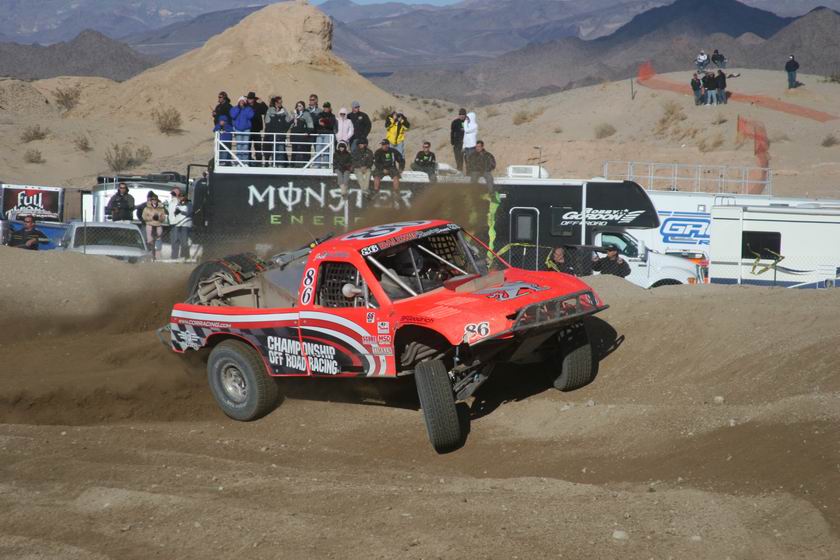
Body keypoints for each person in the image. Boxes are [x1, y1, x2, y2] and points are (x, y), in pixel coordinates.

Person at [373, 139, 405, 203]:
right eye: (382, 145)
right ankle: (376, 192)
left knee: (396, 177)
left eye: (384, 145)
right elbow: (376, 162)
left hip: (391, 167)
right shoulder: (378, 152)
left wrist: (401, 168)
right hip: (381, 168)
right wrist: (382, 169)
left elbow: (401, 159)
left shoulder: (393, 151)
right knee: (376, 177)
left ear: (388, 145)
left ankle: (396, 193)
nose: (383, 146)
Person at [265, 96, 291, 167]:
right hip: (272, 135)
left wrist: (284, 130)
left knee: (281, 150)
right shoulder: (270, 110)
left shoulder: (284, 110)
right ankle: (275, 164)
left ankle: (280, 164)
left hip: (281, 135)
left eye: (281, 102)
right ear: (275, 103)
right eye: (279, 102)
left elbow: (288, 121)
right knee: (274, 150)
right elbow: (267, 122)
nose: (280, 103)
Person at [229, 96, 254, 163]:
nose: (241, 102)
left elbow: (250, 116)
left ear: (245, 102)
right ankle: (239, 162)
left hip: (246, 129)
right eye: (240, 101)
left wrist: (244, 108)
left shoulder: (248, 109)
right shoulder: (235, 108)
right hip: (238, 129)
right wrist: (239, 109)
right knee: (239, 146)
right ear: (238, 101)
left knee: (245, 146)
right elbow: (233, 116)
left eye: (243, 101)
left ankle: (245, 162)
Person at [289, 100, 314, 167]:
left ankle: (304, 165)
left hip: (302, 136)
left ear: (303, 107)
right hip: (294, 135)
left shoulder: (306, 114)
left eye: (300, 106)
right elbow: (288, 124)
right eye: (297, 106)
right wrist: (293, 118)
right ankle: (292, 164)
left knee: (303, 150)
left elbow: (310, 125)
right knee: (294, 150)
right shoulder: (294, 114)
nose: (298, 107)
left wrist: (308, 132)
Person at [169, 191, 192, 260]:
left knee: (184, 242)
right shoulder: (178, 204)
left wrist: (181, 212)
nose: (181, 198)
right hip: (177, 224)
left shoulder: (189, 204)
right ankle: (174, 257)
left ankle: (185, 256)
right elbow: (174, 213)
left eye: (182, 196)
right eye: (180, 196)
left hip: (185, 225)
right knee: (175, 240)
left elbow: (189, 213)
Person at [142, 193, 166, 259]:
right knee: (149, 240)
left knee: (158, 240)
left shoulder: (161, 208)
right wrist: (151, 218)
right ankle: (149, 255)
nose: (154, 201)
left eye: (155, 200)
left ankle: (157, 256)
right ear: (151, 200)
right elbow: (144, 217)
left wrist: (159, 218)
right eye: (152, 200)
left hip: (158, 225)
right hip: (149, 225)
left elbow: (163, 218)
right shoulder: (147, 208)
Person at [247, 92, 268, 166]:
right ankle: (248, 161)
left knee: (258, 147)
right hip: (248, 129)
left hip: (257, 129)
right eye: (248, 98)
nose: (249, 100)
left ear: (254, 99)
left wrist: (262, 102)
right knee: (248, 146)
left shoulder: (258, 105)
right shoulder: (246, 106)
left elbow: (266, 110)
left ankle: (259, 162)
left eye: (251, 98)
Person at [315, 101, 337, 168]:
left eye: (327, 107)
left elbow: (332, 125)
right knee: (318, 148)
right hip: (320, 133)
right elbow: (316, 123)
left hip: (328, 133)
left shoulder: (332, 116)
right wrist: (320, 122)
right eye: (324, 107)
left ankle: (325, 164)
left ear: (329, 108)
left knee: (326, 149)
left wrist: (324, 123)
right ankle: (317, 164)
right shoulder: (320, 114)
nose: (325, 108)